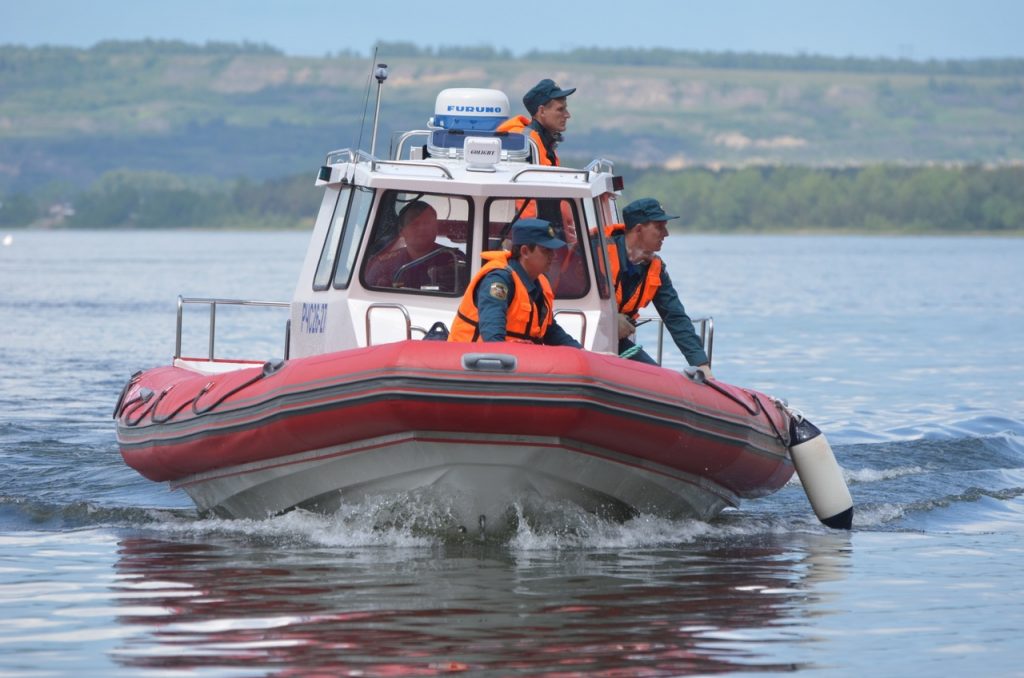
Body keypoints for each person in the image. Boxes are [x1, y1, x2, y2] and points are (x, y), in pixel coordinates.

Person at [606, 197, 714, 378]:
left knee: (658, 378)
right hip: (582, 341)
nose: (666, 234)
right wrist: (608, 320)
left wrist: (701, 364)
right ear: (639, 229)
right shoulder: (595, 253)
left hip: (616, 343)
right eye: (659, 227)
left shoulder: (655, 269)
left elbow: (675, 317)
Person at [448, 219, 582, 347]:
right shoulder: (498, 281)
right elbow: (492, 335)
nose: (553, 255)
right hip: (472, 364)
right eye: (546, 250)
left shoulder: (538, 281)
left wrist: (578, 350)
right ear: (525, 252)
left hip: (516, 362)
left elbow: (549, 329)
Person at [365, 201, 466, 291]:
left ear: (436, 229)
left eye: (426, 223)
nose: (421, 228)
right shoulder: (383, 266)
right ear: (401, 231)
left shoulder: (456, 260)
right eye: (414, 224)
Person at [496, 78, 575, 167]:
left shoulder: (544, 140)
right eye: (560, 109)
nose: (567, 115)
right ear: (542, 111)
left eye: (565, 109)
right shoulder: (525, 144)